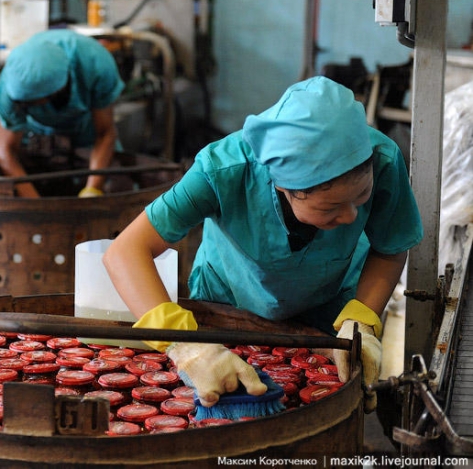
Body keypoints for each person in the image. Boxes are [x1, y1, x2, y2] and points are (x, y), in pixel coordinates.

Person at [102, 76, 423, 413]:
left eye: (361, 197)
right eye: (330, 208)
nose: (349, 217)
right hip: (228, 303)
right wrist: (184, 344)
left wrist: (362, 318)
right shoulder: (221, 170)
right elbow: (125, 251)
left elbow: (390, 245)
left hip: (329, 304)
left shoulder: (382, 158)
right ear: (283, 186)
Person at [0, 29, 125, 198]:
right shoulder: (10, 86)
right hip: (34, 137)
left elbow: (105, 133)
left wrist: (92, 189)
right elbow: (5, 150)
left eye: (39, 102)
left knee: (118, 187)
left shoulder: (95, 64)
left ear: (59, 90)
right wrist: (35, 202)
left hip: (88, 135)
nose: (36, 107)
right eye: (28, 104)